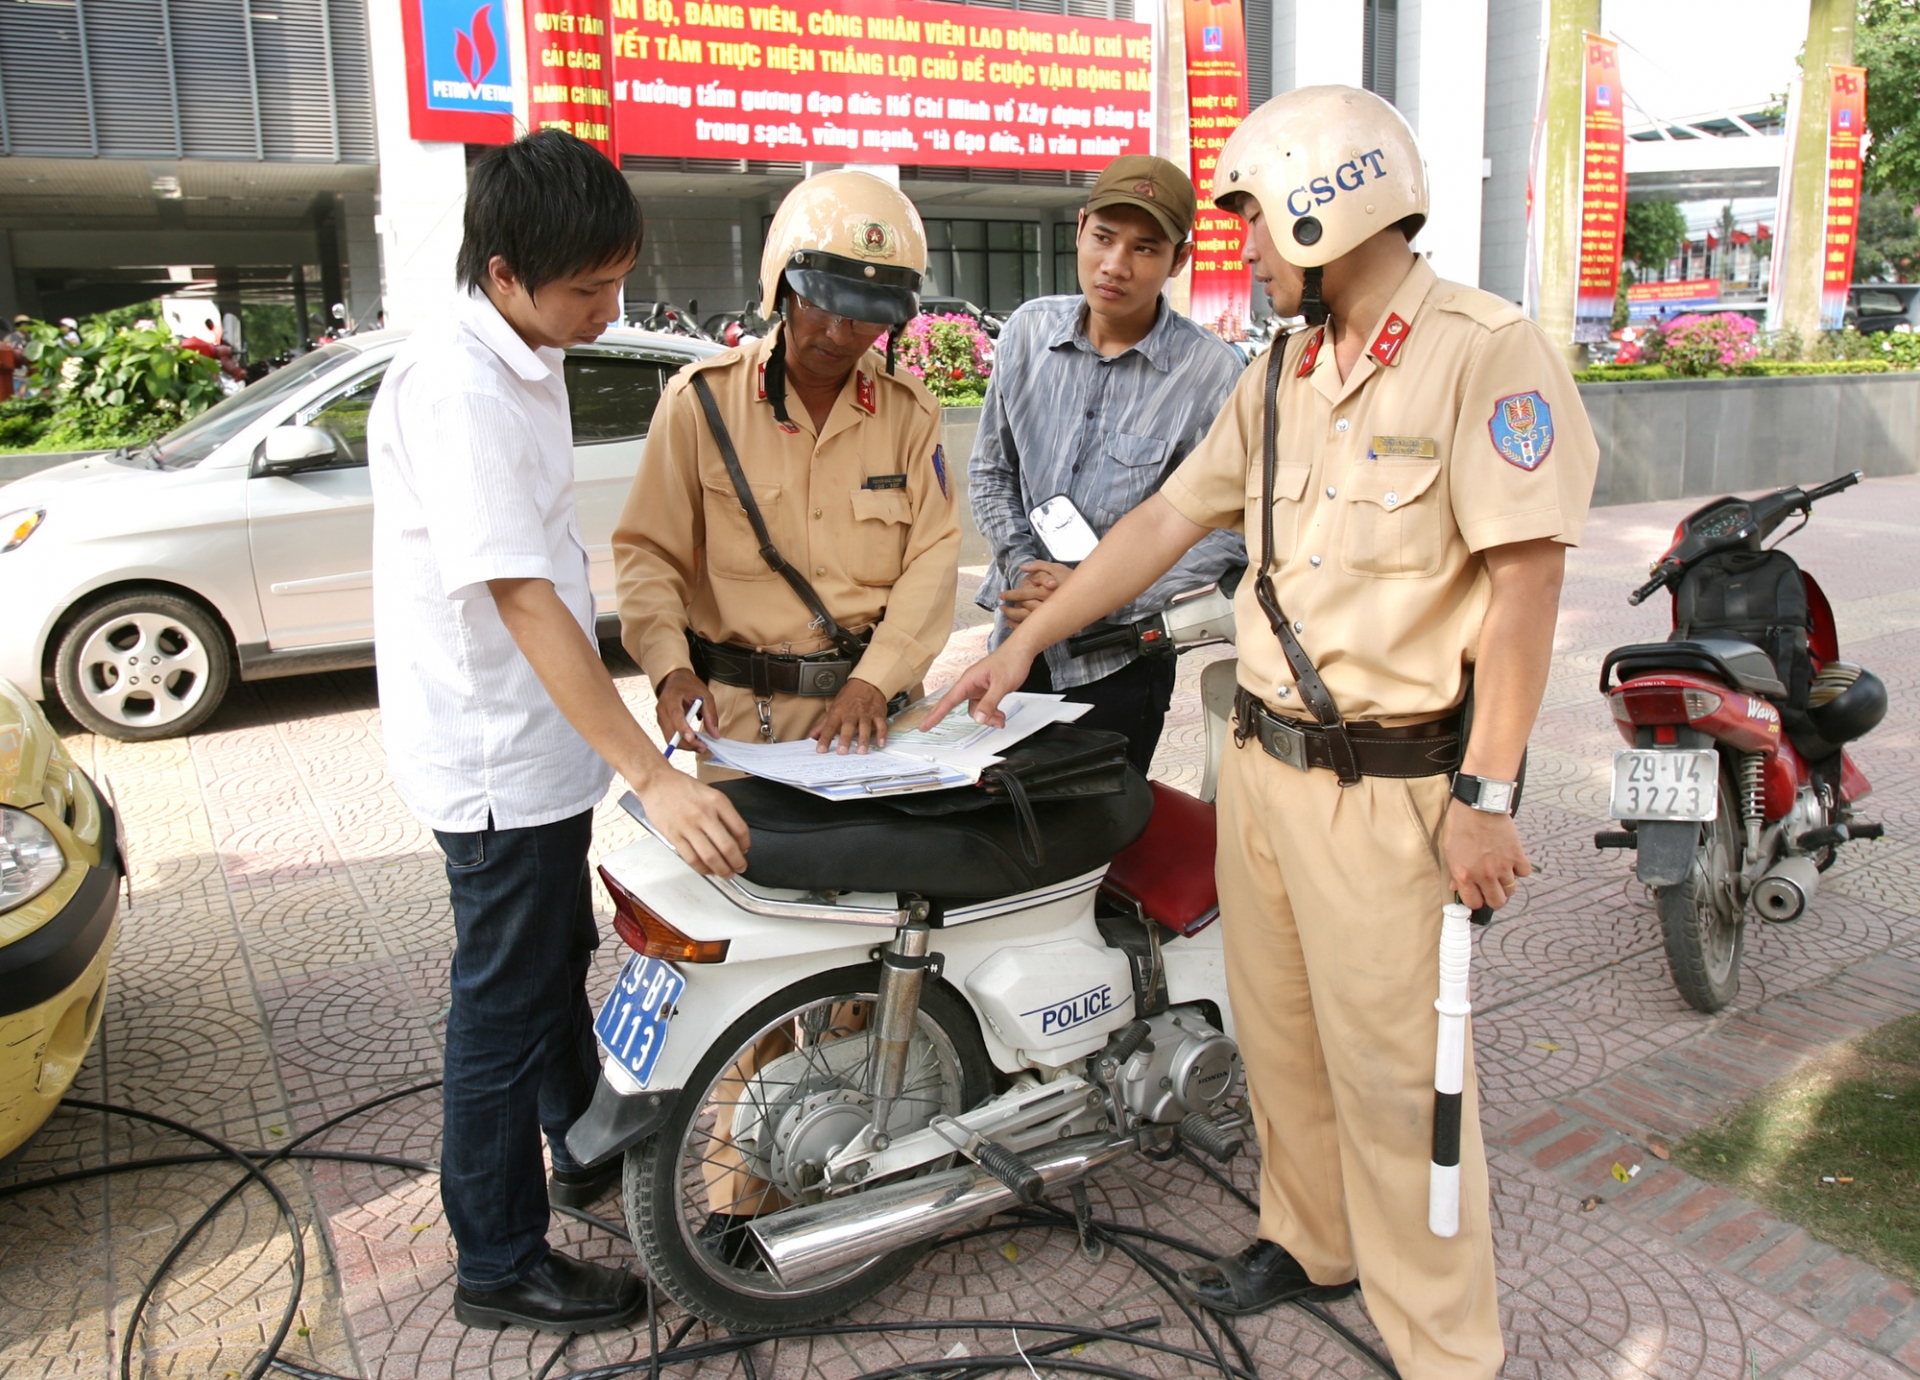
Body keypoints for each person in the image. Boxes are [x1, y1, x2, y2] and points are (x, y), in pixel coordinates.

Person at [927, 86, 1599, 1379]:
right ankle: (1312, 1239)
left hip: (1393, 789)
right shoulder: (1286, 369)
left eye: (1251, 222)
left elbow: (1526, 590)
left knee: (1402, 1078)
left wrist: (1491, 795)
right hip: (1261, 762)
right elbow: (1162, 527)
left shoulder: (1484, 349)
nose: (1238, 249)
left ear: (1322, 202)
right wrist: (1023, 637)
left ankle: (1442, 1344)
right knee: (1278, 1034)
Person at [368, 129, 750, 1335]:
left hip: (529, 748)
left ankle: (576, 1149)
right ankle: (498, 1259)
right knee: (501, 1000)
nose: (609, 308)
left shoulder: (517, 358)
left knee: (544, 966)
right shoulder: (464, 388)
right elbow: (527, 599)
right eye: (587, 289)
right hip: (492, 755)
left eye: (616, 280)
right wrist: (653, 776)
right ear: (502, 275)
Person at [613, 169, 960, 759]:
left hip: (877, 722)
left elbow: (934, 558)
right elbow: (650, 554)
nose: (837, 333)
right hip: (743, 727)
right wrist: (669, 670)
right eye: (818, 306)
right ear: (780, 290)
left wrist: (873, 681)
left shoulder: (910, 413)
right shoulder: (701, 403)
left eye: (864, 316)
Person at [969, 155, 1245, 774]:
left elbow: (1227, 530)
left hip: (1122, 657)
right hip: (1014, 634)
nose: (1115, 265)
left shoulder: (1213, 376)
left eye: (1145, 248)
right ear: (1080, 228)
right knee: (995, 819)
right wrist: (1025, 567)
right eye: (1103, 238)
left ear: (1179, 260)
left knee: (1099, 837)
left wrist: (1097, 593)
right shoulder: (1027, 333)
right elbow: (992, 471)